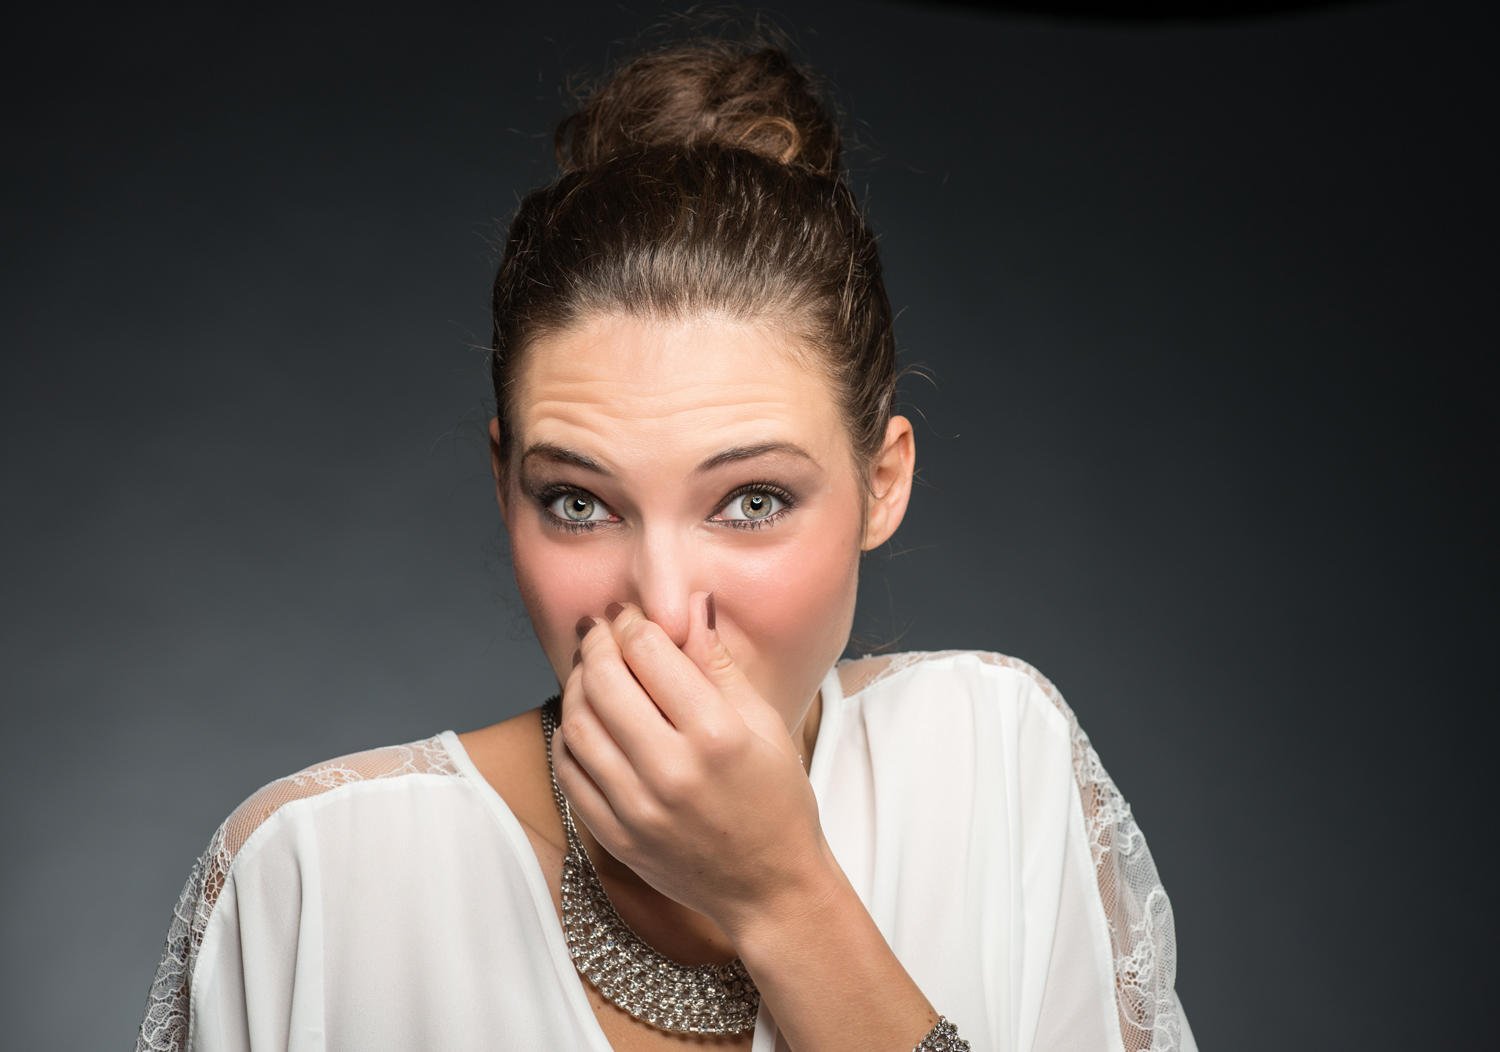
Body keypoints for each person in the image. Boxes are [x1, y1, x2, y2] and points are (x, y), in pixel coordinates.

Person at [135, 30, 1198, 1052]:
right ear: (505, 486)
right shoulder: (311, 882)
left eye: (752, 501)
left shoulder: (994, 758)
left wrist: (783, 896)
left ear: (882, 483)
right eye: (579, 503)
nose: (664, 608)